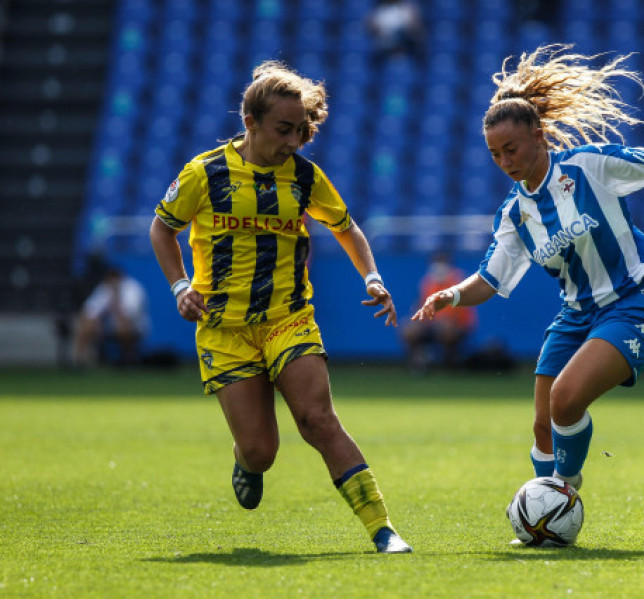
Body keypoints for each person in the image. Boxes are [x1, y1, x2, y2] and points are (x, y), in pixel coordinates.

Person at [413, 45, 644, 497]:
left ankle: (560, 496)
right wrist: (451, 294)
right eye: (495, 154)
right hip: (575, 316)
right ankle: (550, 512)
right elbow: (489, 279)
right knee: (543, 426)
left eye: (511, 148)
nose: (505, 161)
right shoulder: (514, 215)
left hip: (634, 303)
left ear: (540, 136)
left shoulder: (588, 166)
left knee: (565, 400)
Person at [149, 61, 411, 554]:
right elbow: (162, 228)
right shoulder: (204, 174)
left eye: (300, 131)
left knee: (318, 420)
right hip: (224, 329)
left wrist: (372, 277)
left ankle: (383, 530)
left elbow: (345, 226)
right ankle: (246, 461)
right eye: (283, 129)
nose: (293, 141)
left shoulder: (305, 178)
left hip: (287, 319)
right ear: (250, 121)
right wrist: (179, 285)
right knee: (261, 451)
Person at [401, 252, 476, 372]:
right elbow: (420, 306)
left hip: (458, 326)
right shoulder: (428, 282)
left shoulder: (460, 282)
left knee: (446, 328)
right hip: (432, 324)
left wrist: (443, 321)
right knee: (409, 329)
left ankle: (448, 364)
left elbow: (459, 314)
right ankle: (418, 363)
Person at [72, 266, 149, 367]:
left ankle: (127, 361)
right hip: (110, 325)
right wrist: (95, 323)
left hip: (135, 327)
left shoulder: (133, 289)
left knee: (123, 328)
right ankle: (80, 362)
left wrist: (115, 298)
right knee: (85, 326)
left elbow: (127, 317)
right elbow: (89, 311)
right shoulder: (104, 288)